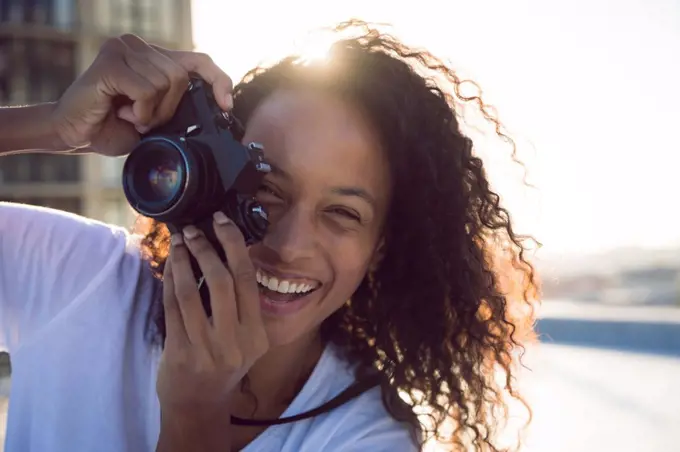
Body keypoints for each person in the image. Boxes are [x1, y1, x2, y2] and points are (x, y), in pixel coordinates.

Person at [0, 20, 538, 452]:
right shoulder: (80, 277)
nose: (289, 244)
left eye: (343, 213)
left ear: (381, 248)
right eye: (264, 188)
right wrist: (53, 127)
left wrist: (195, 419)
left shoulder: (365, 436)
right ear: (207, 177)